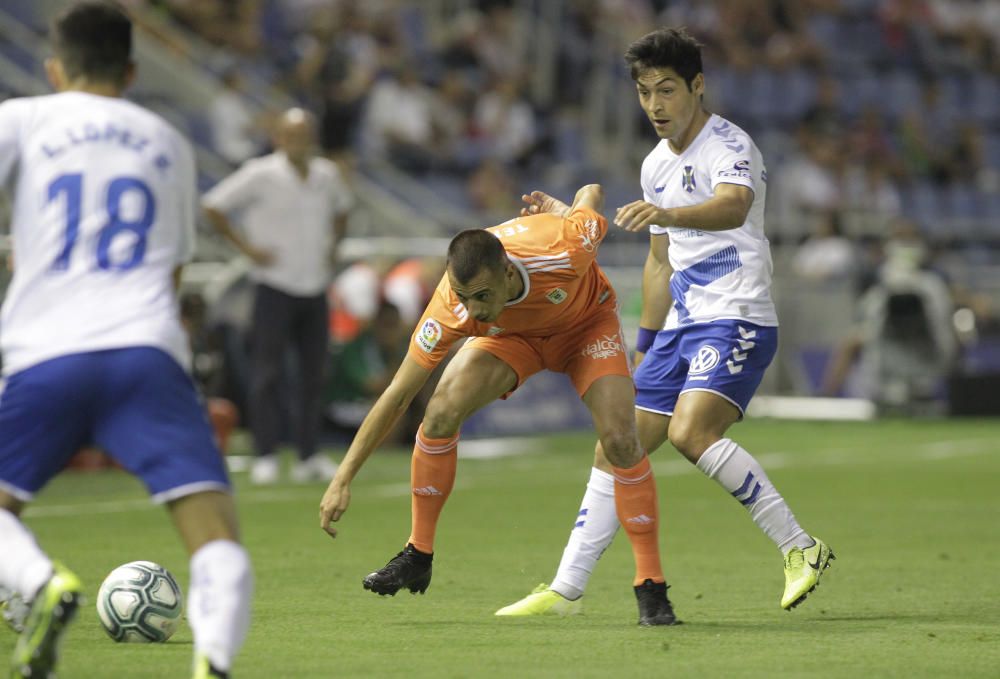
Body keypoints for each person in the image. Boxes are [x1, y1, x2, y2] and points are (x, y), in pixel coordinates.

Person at [498, 27, 834, 618]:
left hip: (737, 314)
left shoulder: (731, 144)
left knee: (689, 434)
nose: (655, 105)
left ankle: (801, 547)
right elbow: (659, 262)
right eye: (645, 91)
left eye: (668, 90)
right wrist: (644, 344)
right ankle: (565, 589)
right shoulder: (655, 164)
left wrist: (668, 212)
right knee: (617, 447)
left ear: (698, 87)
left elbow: (734, 206)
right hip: (680, 326)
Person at [0, 3, 252, 678]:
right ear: (133, 70)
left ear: (53, 68)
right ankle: (215, 660)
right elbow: (171, 269)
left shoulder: (20, 120)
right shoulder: (166, 139)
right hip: (145, 350)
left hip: (46, 349)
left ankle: (38, 584)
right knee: (215, 536)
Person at [319, 184, 679, 626]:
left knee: (622, 440)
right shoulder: (454, 305)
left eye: (482, 297)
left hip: (585, 328)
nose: (471, 309)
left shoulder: (564, 248)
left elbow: (593, 193)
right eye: (464, 296)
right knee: (440, 411)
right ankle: (418, 552)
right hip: (513, 339)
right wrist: (343, 477)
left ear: (508, 273)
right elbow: (397, 394)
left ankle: (651, 588)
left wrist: (567, 210)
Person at [203, 108, 353, 484]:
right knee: (266, 371)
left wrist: (333, 246)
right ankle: (266, 452)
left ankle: (308, 453)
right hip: (273, 284)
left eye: (305, 135)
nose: (299, 142)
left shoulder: (326, 175)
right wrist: (247, 249)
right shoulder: (260, 174)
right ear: (279, 138)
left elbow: (343, 209)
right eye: (292, 135)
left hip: (314, 284)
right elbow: (214, 205)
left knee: (312, 373)